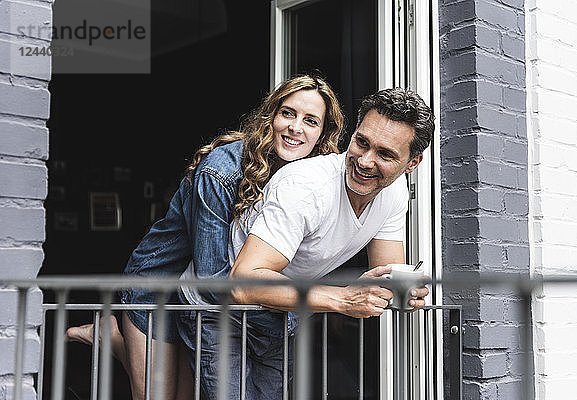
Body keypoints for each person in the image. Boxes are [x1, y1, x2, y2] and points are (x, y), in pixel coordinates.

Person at [66, 74, 345, 400]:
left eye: (310, 120)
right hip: (162, 285)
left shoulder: (306, 180)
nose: (296, 127)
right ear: (271, 116)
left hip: (206, 303)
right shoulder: (221, 170)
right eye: (287, 113)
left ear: (323, 133)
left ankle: (113, 336)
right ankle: (115, 335)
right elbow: (214, 277)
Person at [177, 87, 435, 398]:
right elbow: (242, 283)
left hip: (278, 311)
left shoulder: (394, 194)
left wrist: (403, 292)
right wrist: (341, 299)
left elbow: (385, 273)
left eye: (385, 154)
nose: (365, 161)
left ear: (413, 163)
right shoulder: (305, 186)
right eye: (361, 142)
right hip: (219, 310)